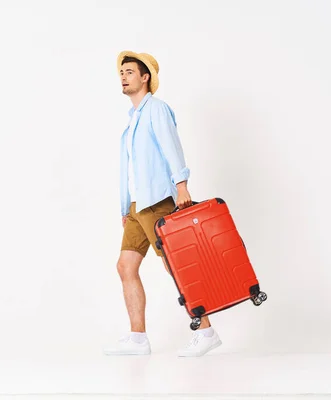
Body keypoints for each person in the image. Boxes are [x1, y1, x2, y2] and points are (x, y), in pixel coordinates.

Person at [103, 51, 222, 357]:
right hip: (135, 207)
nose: (124, 76)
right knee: (125, 265)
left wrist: (181, 185)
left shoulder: (156, 109)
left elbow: (172, 146)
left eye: (130, 71)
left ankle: (207, 332)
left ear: (146, 78)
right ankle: (138, 339)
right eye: (121, 72)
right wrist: (124, 209)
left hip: (155, 201)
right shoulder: (132, 122)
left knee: (177, 266)